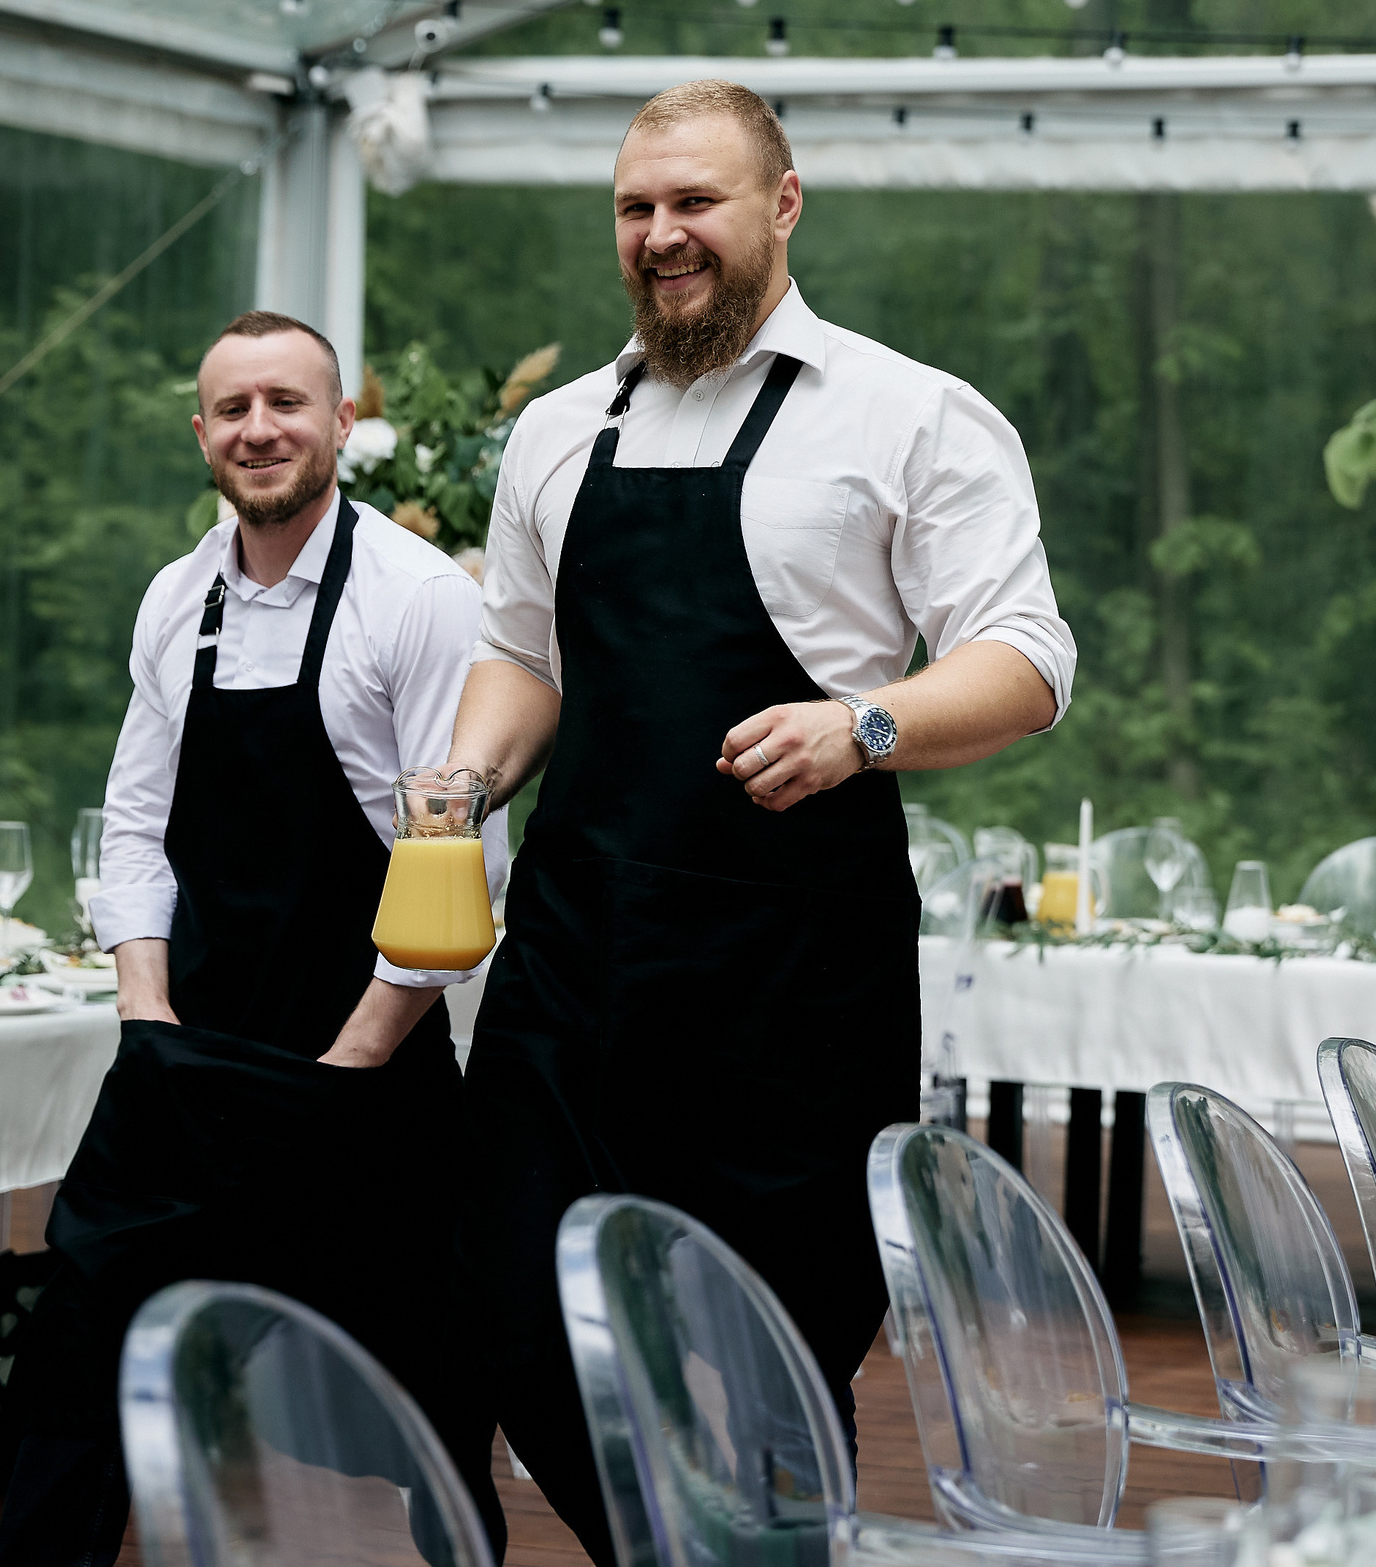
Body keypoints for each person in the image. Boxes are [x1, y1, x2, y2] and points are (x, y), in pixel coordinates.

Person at [448, 80, 1075, 1561]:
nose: (663, 236)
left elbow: (1029, 659)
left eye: (696, 203)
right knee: (510, 1319)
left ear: (783, 204)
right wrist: (464, 785)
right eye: (635, 207)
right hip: (574, 967)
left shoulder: (906, 410)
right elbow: (524, 658)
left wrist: (868, 725)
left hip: (791, 982)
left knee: (769, 1357)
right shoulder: (554, 429)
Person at [0, 310, 504, 1565]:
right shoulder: (177, 600)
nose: (258, 428)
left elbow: (456, 864)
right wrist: (147, 1019)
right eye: (232, 408)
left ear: (339, 424)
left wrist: (354, 1058)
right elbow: (133, 827)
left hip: (362, 1075)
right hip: (189, 1066)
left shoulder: (420, 598)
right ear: (203, 431)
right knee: (72, 1373)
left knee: (423, 1410)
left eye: (286, 401)